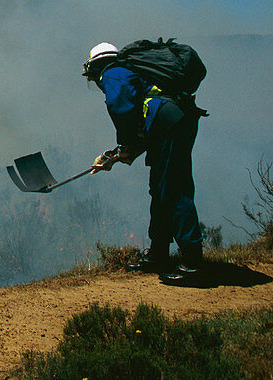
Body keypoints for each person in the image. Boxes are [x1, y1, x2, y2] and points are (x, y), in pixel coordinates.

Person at [82, 42, 205, 285]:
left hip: (169, 122)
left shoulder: (113, 72)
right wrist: (114, 156)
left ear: (96, 67)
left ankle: (192, 263)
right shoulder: (131, 71)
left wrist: (124, 148)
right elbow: (140, 124)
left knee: (174, 188)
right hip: (172, 121)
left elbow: (123, 110)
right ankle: (158, 255)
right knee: (160, 188)